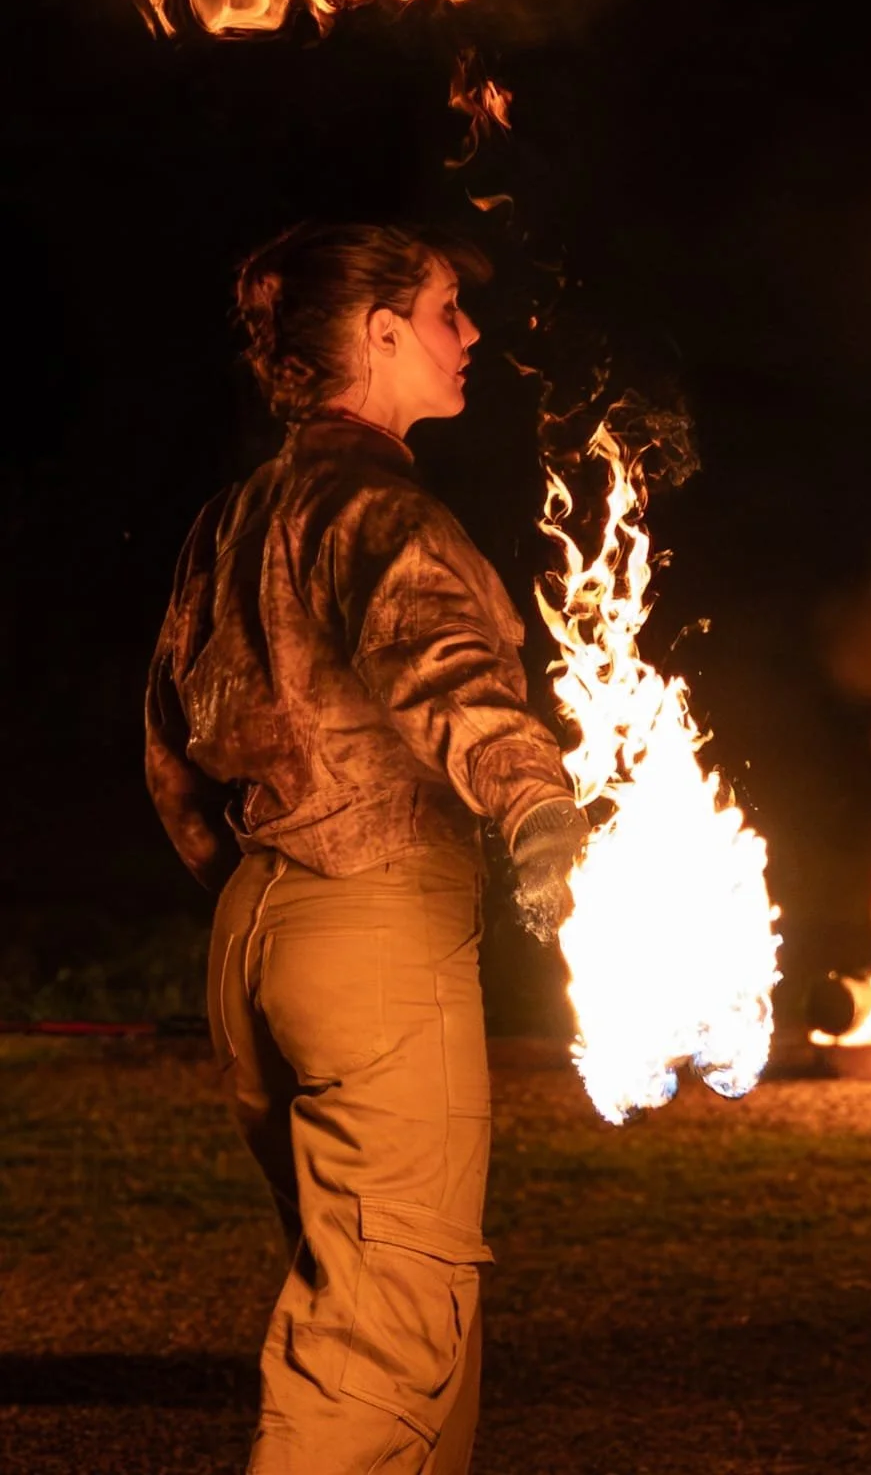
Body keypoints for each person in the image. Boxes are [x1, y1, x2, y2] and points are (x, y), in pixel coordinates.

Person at [144, 220, 586, 1474]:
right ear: (380, 335)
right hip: (370, 925)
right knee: (387, 1320)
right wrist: (535, 808)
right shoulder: (376, 510)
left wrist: (254, 900)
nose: (472, 335)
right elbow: (441, 665)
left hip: (259, 932)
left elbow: (170, 753)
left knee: (389, 1291)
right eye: (448, 310)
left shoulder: (234, 520)